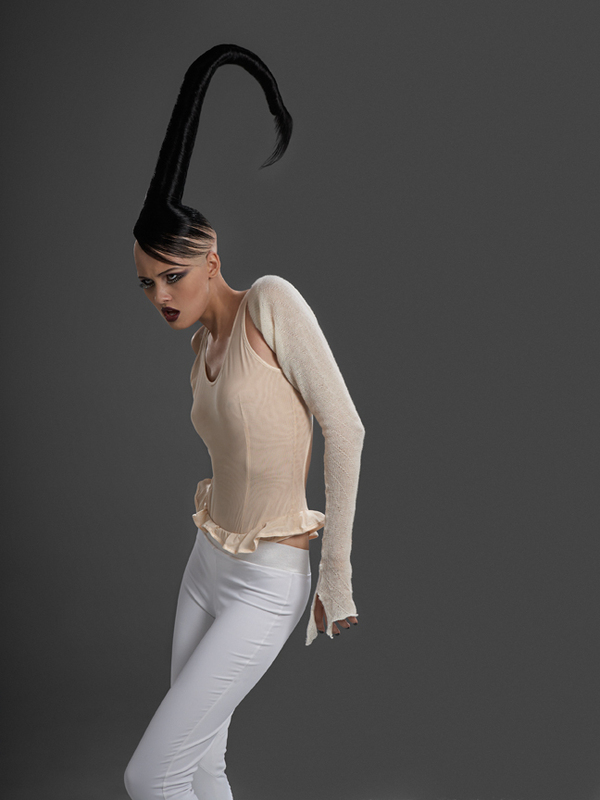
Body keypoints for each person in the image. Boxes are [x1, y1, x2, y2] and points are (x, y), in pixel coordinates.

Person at [124, 44, 364, 800]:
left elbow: (346, 428)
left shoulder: (270, 303)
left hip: (266, 583)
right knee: (201, 766)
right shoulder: (200, 349)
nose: (162, 296)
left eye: (172, 275)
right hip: (205, 568)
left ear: (211, 257)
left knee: (150, 776)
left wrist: (335, 574)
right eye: (147, 283)